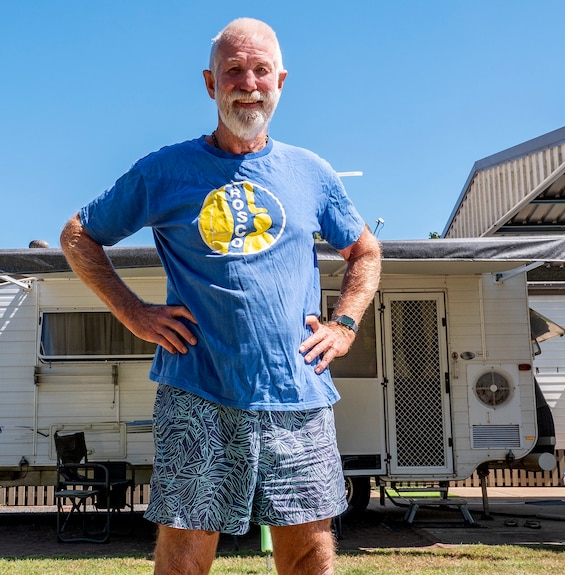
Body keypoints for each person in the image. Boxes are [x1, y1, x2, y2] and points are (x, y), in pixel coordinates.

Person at [60, 17, 381, 575]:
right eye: (233, 71)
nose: (248, 83)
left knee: (308, 552)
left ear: (280, 81)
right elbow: (78, 234)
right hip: (198, 393)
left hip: (298, 394)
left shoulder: (312, 173)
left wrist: (345, 324)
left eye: (260, 71)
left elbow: (366, 252)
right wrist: (132, 312)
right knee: (185, 555)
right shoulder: (167, 170)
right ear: (210, 83)